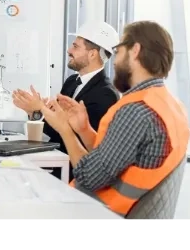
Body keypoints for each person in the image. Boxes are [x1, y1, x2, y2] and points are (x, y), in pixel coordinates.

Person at [40, 20, 190, 219]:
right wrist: (84, 129)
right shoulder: (170, 105)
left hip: (99, 213)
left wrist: (65, 129)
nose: (114, 61)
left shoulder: (137, 111)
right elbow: (115, 157)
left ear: (135, 51)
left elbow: (88, 177)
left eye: (118, 51)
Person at [12, 21, 120, 159]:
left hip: (74, 167)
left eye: (75, 47)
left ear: (92, 54)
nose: (69, 51)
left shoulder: (106, 94)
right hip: (56, 159)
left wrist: (40, 110)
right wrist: (34, 111)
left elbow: (75, 139)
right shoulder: (71, 81)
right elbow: (56, 129)